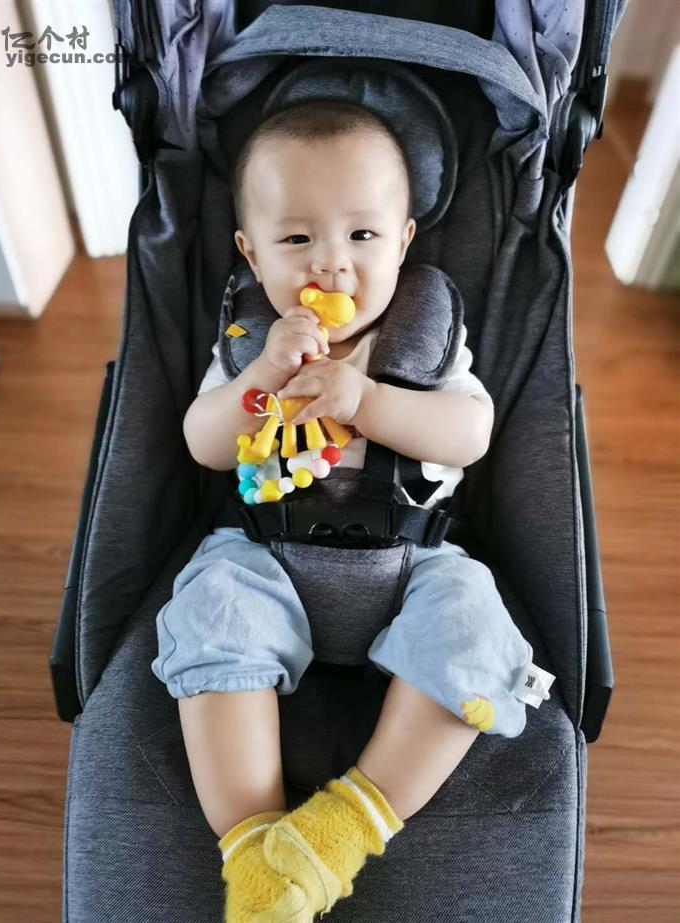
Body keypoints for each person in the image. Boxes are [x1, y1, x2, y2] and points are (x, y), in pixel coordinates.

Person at [151, 100, 554, 923]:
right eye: (297, 238)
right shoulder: (251, 342)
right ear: (251, 250)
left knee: (475, 621)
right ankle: (257, 856)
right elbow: (202, 440)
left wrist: (366, 400)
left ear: (403, 240)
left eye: (362, 235)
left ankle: (338, 831)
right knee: (210, 602)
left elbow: (470, 432)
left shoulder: (427, 336)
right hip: (269, 557)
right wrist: (262, 378)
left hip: (408, 560)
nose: (331, 263)